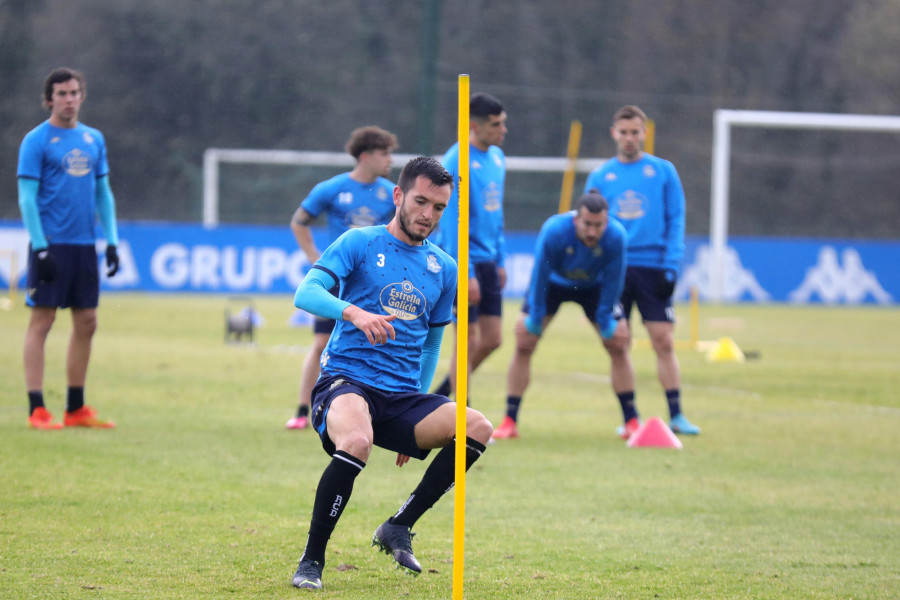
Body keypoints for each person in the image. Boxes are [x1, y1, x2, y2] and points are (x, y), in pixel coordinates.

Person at [289, 156, 493, 590]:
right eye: (421, 202)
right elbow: (305, 293)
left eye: (439, 207)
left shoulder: (444, 267)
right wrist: (355, 313)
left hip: (401, 398)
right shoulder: (359, 242)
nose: (428, 214)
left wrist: (416, 416)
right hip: (347, 381)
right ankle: (312, 560)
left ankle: (398, 525)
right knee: (358, 441)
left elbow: (433, 343)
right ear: (398, 196)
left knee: (478, 426)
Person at [584, 105, 700, 438]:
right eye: (624, 132)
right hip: (615, 269)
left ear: (644, 132)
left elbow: (676, 219)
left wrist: (671, 264)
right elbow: (590, 227)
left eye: (635, 132)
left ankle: (677, 414)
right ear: (614, 134)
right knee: (618, 343)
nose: (629, 138)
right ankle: (630, 418)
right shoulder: (601, 176)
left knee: (663, 340)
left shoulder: (663, 172)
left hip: (653, 268)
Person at [17, 67, 120, 430]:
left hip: (83, 246)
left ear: (82, 96)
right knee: (42, 320)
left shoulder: (94, 139)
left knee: (87, 321)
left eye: (74, 92)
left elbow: (102, 193)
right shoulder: (36, 140)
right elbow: (27, 198)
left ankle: (75, 407)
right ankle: (36, 408)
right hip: (52, 244)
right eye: (61, 93)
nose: (69, 99)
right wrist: (41, 247)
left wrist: (111, 240)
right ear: (49, 100)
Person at [286, 126, 399, 430]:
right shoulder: (332, 188)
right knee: (322, 341)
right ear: (365, 156)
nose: (390, 159)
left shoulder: (391, 193)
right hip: (340, 279)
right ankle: (302, 409)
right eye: (384, 153)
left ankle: (372, 407)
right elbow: (299, 222)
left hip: (375, 281)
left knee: (376, 340)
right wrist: (314, 257)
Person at [493, 190, 627, 439]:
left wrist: (608, 320)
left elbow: (614, 280)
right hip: (552, 285)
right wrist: (534, 317)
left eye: (599, 226)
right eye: (587, 224)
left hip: (593, 288)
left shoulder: (616, 236)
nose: (592, 232)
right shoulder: (554, 231)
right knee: (524, 343)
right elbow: (539, 276)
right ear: (576, 219)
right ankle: (510, 421)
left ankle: (631, 422)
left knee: (619, 343)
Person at [431, 92, 508, 401]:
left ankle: (443, 393)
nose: (503, 130)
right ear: (474, 127)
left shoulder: (498, 158)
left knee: (492, 339)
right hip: (463, 259)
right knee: (466, 340)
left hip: (488, 260)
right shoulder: (455, 161)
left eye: (504, 123)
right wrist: (467, 270)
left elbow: (496, 212)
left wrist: (500, 258)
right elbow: (451, 220)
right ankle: (461, 412)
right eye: (496, 124)